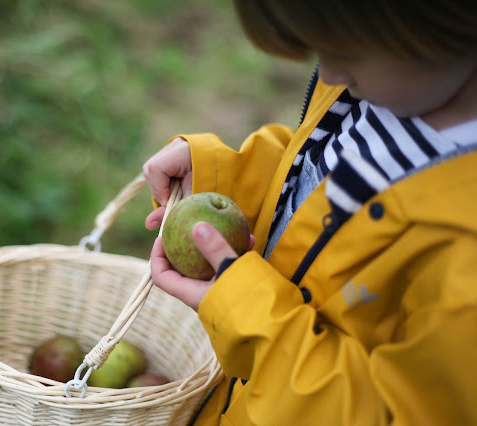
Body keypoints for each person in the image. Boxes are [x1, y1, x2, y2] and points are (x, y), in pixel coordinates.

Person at [141, 1, 477, 424]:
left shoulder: (466, 257)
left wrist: (247, 315)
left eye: (344, 52)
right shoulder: (377, 86)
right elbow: (313, 187)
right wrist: (220, 183)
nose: (331, 74)